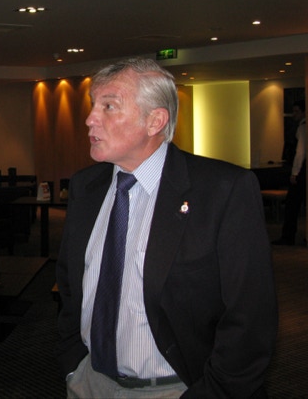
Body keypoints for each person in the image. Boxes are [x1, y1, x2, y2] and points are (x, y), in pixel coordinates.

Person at [57, 58, 277, 398]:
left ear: (155, 121)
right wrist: (74, 365)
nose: (90, 119)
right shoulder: (86, 186)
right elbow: (71, 286)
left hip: (176, 388)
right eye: (93, 105)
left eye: (108, 106)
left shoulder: (223, 190)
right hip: (88, 381)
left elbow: (250, 318)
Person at [272, 100, 306, 246]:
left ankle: (288, 236)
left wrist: (295, 173)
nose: (294, 115)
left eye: (297, 111)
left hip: (302, 171)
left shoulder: (303, 128)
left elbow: (300, 152)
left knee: (292, 204)